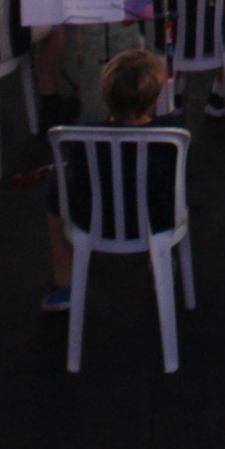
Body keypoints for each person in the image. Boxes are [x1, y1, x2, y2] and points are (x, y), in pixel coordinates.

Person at [39, 47, 184, 314]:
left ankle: (64, 282)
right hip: (157, 221)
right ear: (154, 97)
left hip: (94, 221)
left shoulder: (80, 138)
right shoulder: (172, 134)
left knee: (55, 187)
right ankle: (161, 261)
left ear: (106, 96)